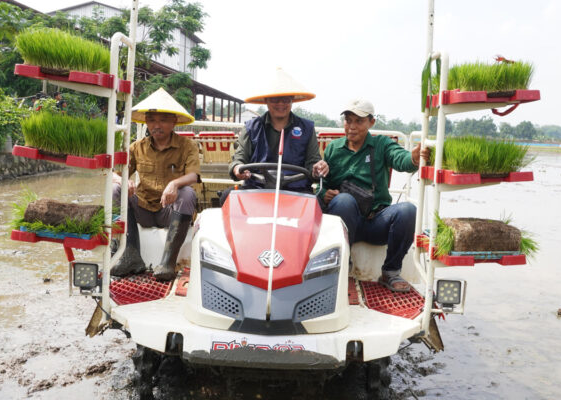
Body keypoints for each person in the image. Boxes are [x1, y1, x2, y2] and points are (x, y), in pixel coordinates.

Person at [319, 99, 429, 293]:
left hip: (376, 221)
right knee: (343, 200)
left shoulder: (381, 144)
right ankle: (343, 266)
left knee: (408, 210)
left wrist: (413, 158)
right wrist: (325, 195)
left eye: (359, 121)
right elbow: (321, 186)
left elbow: (400, 159)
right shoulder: (333, 149)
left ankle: (391, 272)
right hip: (345, 221)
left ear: (371, 122)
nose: (352, 127)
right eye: (348, 120)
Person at [111, 88, 200, 280]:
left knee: (187, 193)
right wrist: (123, 180)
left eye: (163, 120)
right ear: (146, 122)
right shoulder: (137, 147)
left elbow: (193, 175)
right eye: (151, 120)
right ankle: (130, 255)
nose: (156, 125)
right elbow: (114, 174)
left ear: (174, 122)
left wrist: (175, 184)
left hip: (169, 211)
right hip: (143, 209)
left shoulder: (187, 146)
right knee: (115, 189)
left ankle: (168, 263)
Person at [222, 68, 328, 204]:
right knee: (227, 197)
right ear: (266, 100)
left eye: (286, 99)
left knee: (317, 203)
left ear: (292, 100)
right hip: (257, 189)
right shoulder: (251, 128)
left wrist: (317, 168)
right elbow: (239, 159)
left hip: (297, 191)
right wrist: (238, 168)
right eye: (274, 99)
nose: (280, 104)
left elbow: (313, 162)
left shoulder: (306, 128)